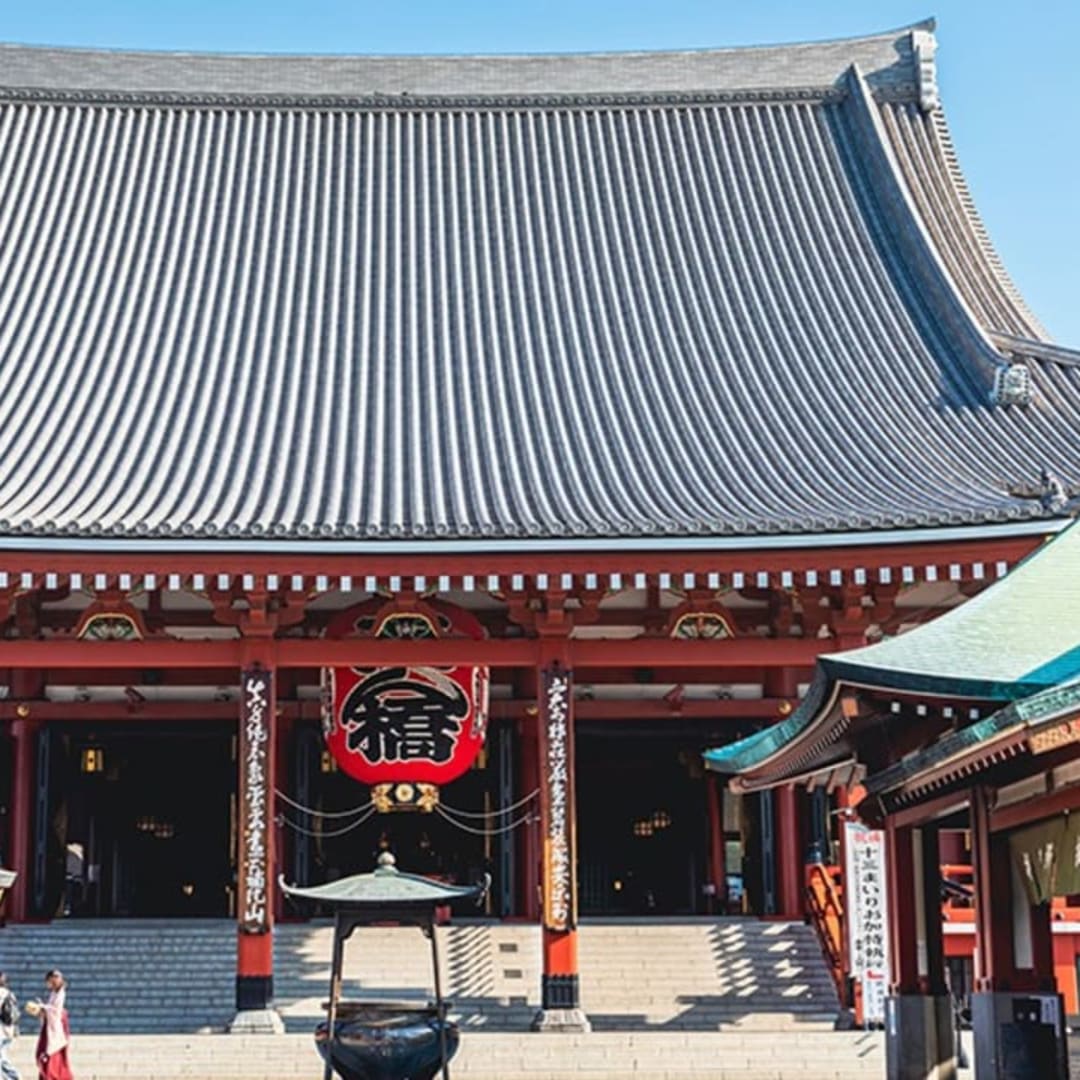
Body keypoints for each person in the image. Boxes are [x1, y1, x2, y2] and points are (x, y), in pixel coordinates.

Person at [32, 972, 72, 1080]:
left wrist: (43, 1008)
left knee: (51, 1054)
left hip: (55, 1030)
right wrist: (43, 1009)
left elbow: (56, 1011)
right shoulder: (54, 993)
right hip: (50, 1027)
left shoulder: (60, 994)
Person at [0, 972, 19, 1080]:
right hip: (8, 1030)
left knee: (2, 1058)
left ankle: (14, 1077)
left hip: (1, 1031)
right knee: (2, 1057)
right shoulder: (10, 993)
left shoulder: (1, 993)